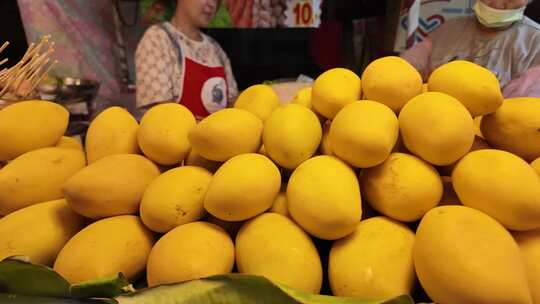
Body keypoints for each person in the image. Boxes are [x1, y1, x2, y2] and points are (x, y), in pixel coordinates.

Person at [401, 0, 540, 97]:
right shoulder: (450, 29)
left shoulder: (535, 41)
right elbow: (409, 66)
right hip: (434, 116)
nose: (498, 4)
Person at [136, 0, 238, 119]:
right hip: (176, 136)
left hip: (218, 135)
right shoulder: (158, 38)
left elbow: (233, 103)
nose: (212, 4)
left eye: (216, 0)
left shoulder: (215, 48)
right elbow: (159, 113)